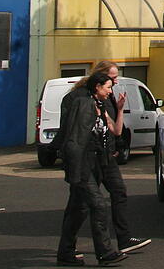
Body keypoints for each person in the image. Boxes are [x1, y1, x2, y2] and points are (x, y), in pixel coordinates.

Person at [52, 61, 150, 257]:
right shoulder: (79, 100)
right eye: (112, 79)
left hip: (105, 156)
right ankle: (71, 249)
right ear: (99, 81)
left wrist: (115, 141)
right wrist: (72, 160)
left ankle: (121, 240)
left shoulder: (104, 99)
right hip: (86, 160)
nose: (114, 84)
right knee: (83, 205)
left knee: (117, 192)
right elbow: (74, 132)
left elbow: (113, 128)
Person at [56, 72, 127, 266]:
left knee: (78, 209)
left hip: (95, 165)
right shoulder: (84, 105)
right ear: (97, 87)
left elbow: (114, 132)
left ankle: (65, 252)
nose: (110, 91)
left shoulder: (100, 106)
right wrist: (74, 170)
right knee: (98, 205)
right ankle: (104, 253)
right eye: (108, 87)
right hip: (82, 166)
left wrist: (119, 110)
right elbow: (75, 138)